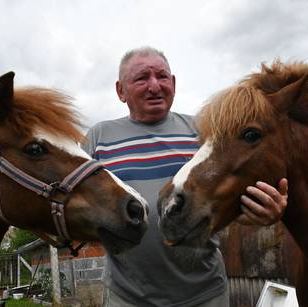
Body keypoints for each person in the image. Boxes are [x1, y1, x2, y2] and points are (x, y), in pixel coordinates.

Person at [84, 46, 288, 307]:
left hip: (204, 296)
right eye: (142, 78)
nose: (155, 85)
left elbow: (236, 196)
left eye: (162, 76)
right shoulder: (98, 138)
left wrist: (267, 212)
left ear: (174, 83)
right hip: (128, 298)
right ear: (121, 91)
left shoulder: (206, 132)